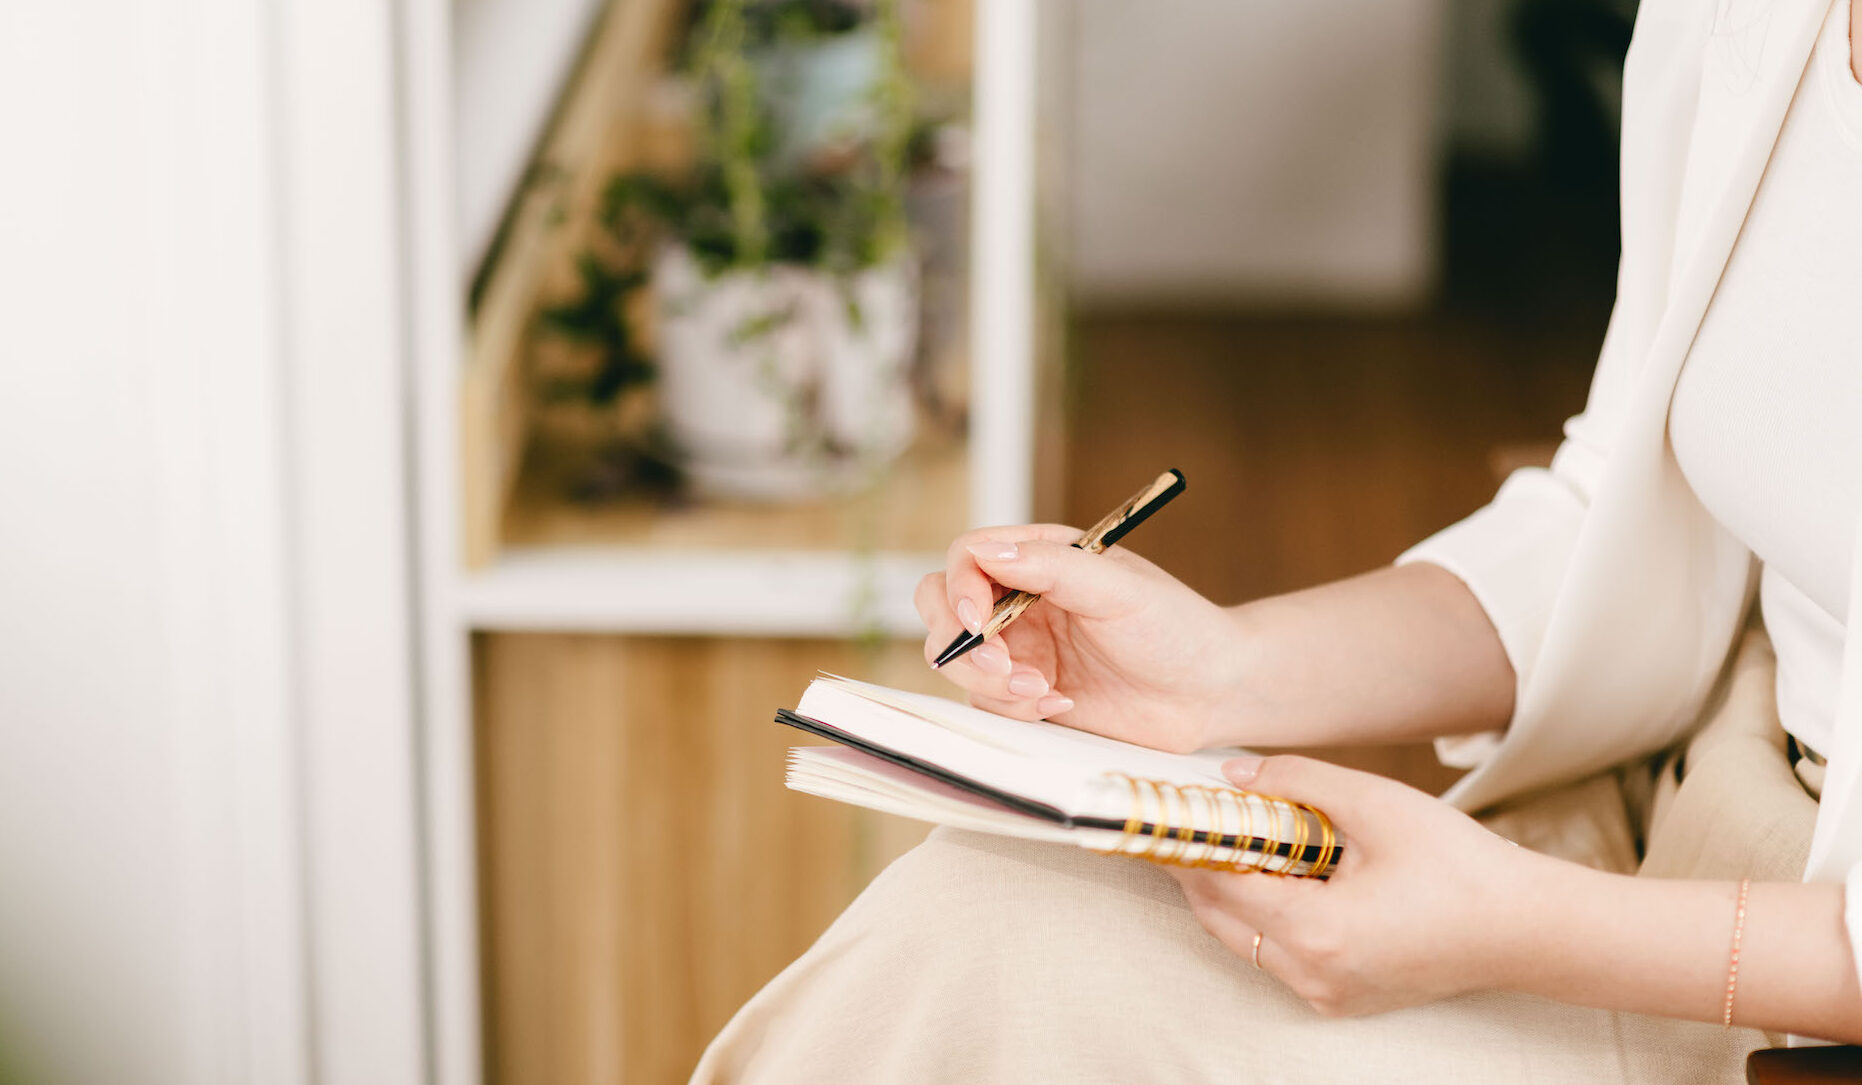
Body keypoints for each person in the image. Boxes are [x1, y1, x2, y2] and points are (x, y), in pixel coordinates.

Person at [695, 0, 1862, 1079]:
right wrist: (1218, 669)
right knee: (966, 914)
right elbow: (1624, 509)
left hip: (1772, 994)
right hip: (1692, 799)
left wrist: (1513, 924)